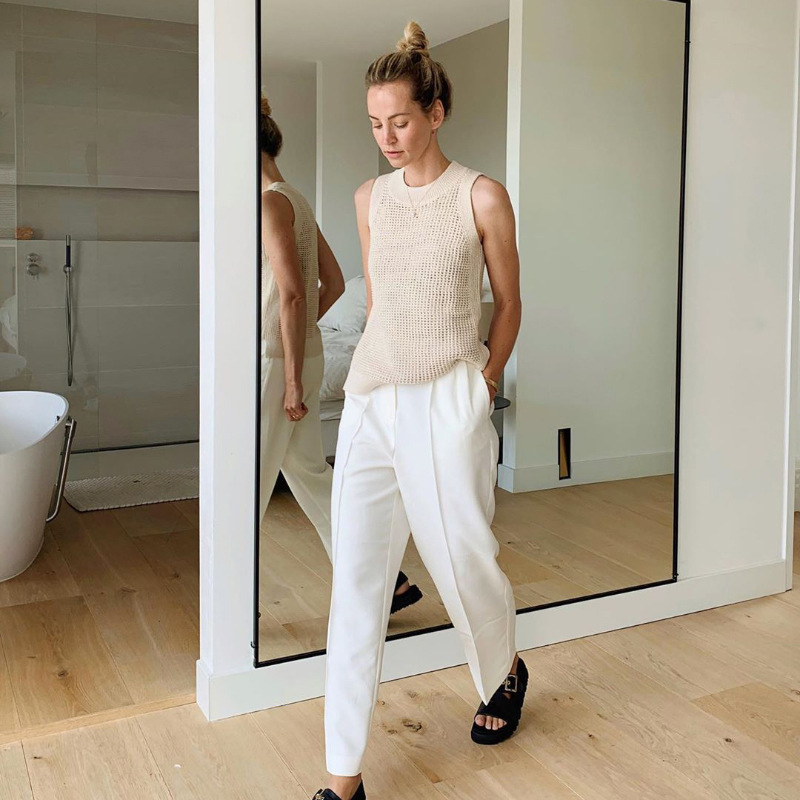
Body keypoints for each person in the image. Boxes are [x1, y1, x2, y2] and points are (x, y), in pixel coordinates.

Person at [312, 21, 526, 800]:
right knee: (356, 582)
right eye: (375, 124)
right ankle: (343, 780)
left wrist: (485, 379)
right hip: (372, 398)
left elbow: (509, 303)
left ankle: (503, 671)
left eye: (399, 120)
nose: (387, 138)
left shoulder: (481, 195)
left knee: (463, 563)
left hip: (447, 397)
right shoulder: (368, 198)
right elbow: (381, 303)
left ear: (435, 112)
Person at [258, 95, 423, 624]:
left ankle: (234, 606)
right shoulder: (296, 200)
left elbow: (293, 294)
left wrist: (288, 377)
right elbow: (330, 283)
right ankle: (385, 583)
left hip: (275, 363)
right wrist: (304, 337)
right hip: (302, 355)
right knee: (309, 473)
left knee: (247, 485)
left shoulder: (268, 204)